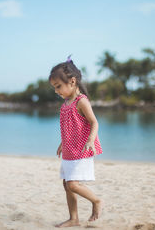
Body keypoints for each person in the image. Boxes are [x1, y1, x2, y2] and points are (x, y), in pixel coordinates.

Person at [49, 56, 103, 228]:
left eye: (58, 86)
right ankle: (74, 218)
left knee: (73, 184)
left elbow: (94, 122)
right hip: (69, 150)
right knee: (67, 184)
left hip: (81, 150)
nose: (56, 91)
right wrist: (62, 143)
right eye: (54, 88)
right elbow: (68, 127)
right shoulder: (66, 103)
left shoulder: (82, 102)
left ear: (72, 82)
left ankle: (96, 201)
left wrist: (91, 141)